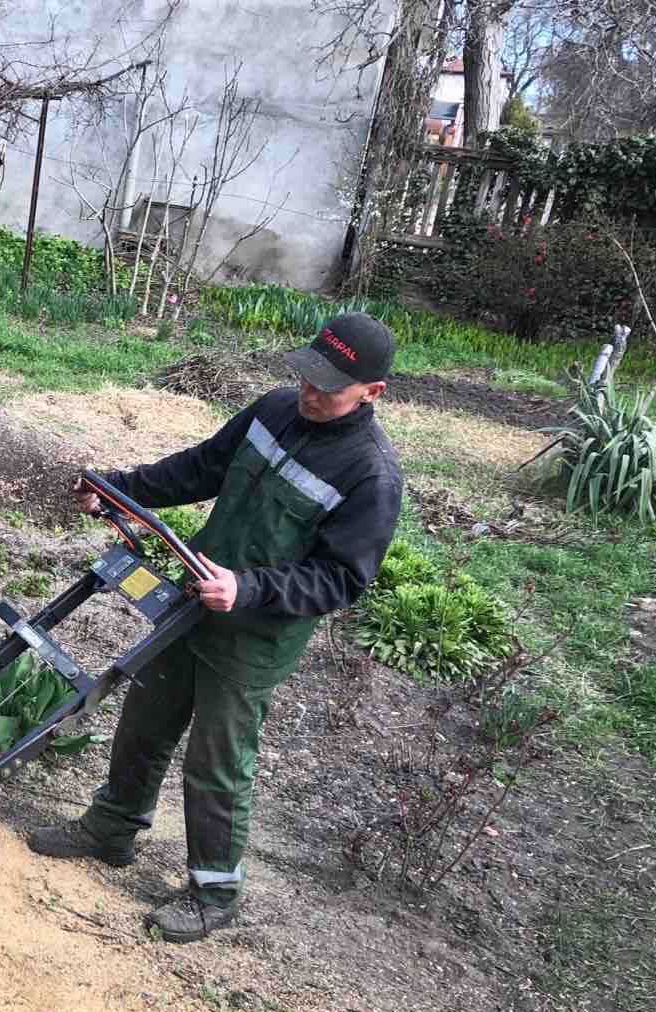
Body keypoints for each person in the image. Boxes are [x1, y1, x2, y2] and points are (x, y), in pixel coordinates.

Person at [28, 312, 405, 943]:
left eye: (329, 386)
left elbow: (341, 579)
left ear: (372, 392)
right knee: (144, 719)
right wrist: (119, 491)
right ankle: (111, 829)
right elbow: (199, 468)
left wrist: (248, 589)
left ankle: (214, 891)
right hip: (191, 600)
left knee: (218, 762)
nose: (310, 392)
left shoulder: (370, 474)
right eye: (308, 375)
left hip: (255, 636)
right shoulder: (276, 410)